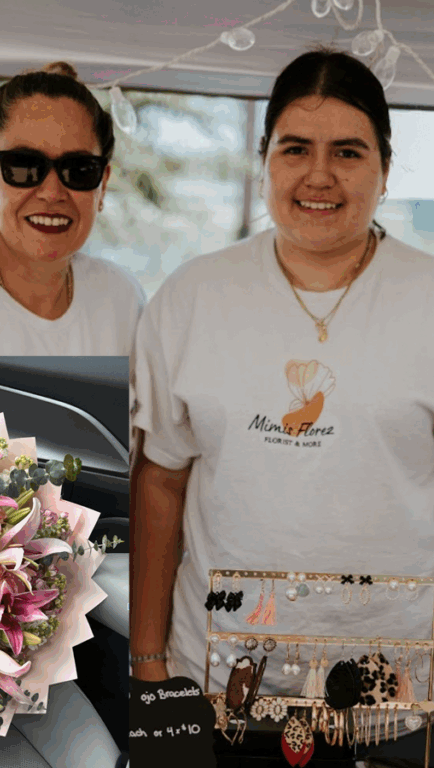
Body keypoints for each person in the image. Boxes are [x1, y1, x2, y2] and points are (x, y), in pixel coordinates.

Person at [130, 46, 434, 762]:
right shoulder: (192, 297)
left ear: (385, 169)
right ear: (265, 158)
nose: (319, 175)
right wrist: (148, 666)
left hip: (398, 688)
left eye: (349, 152)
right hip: (218, 680)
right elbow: (161, 480)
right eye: (295, 148)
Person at [0, 62, 145, 356]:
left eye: (79, 169)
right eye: (24, 166)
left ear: (102, 185)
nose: (52, 193)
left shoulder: (122, 301)